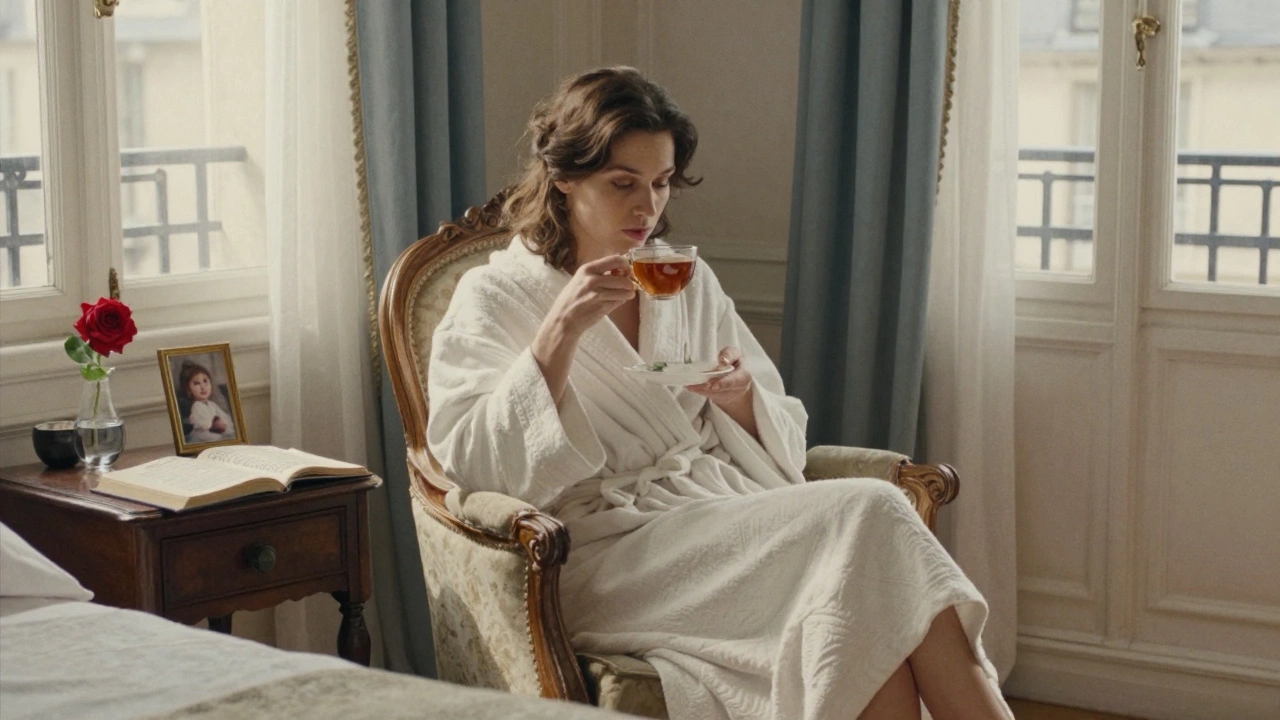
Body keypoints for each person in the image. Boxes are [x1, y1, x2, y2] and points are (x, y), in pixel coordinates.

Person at [427, 66, 1013, 720]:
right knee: (874, 512)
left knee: (863, 630)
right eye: (623, 184)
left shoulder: (686, 280)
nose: (647, 207)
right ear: (564, 178)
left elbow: (778, 430)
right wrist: (558, 332)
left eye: (660, 183)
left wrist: (737, 396)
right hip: (603, 551)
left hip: (714, 516)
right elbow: (471, 465)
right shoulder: (495, 296)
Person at [178, 360, 236, 444]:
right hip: (203, 436)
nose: (203, 387)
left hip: (215, 432)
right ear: (189, 390)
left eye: (205, 381)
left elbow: (225, 418)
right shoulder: (197, 406)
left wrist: (224, 424)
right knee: (216, 438)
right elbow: (204, 425)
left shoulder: (212, 405)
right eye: (196, 383)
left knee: (229, 435)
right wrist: (214, 425)